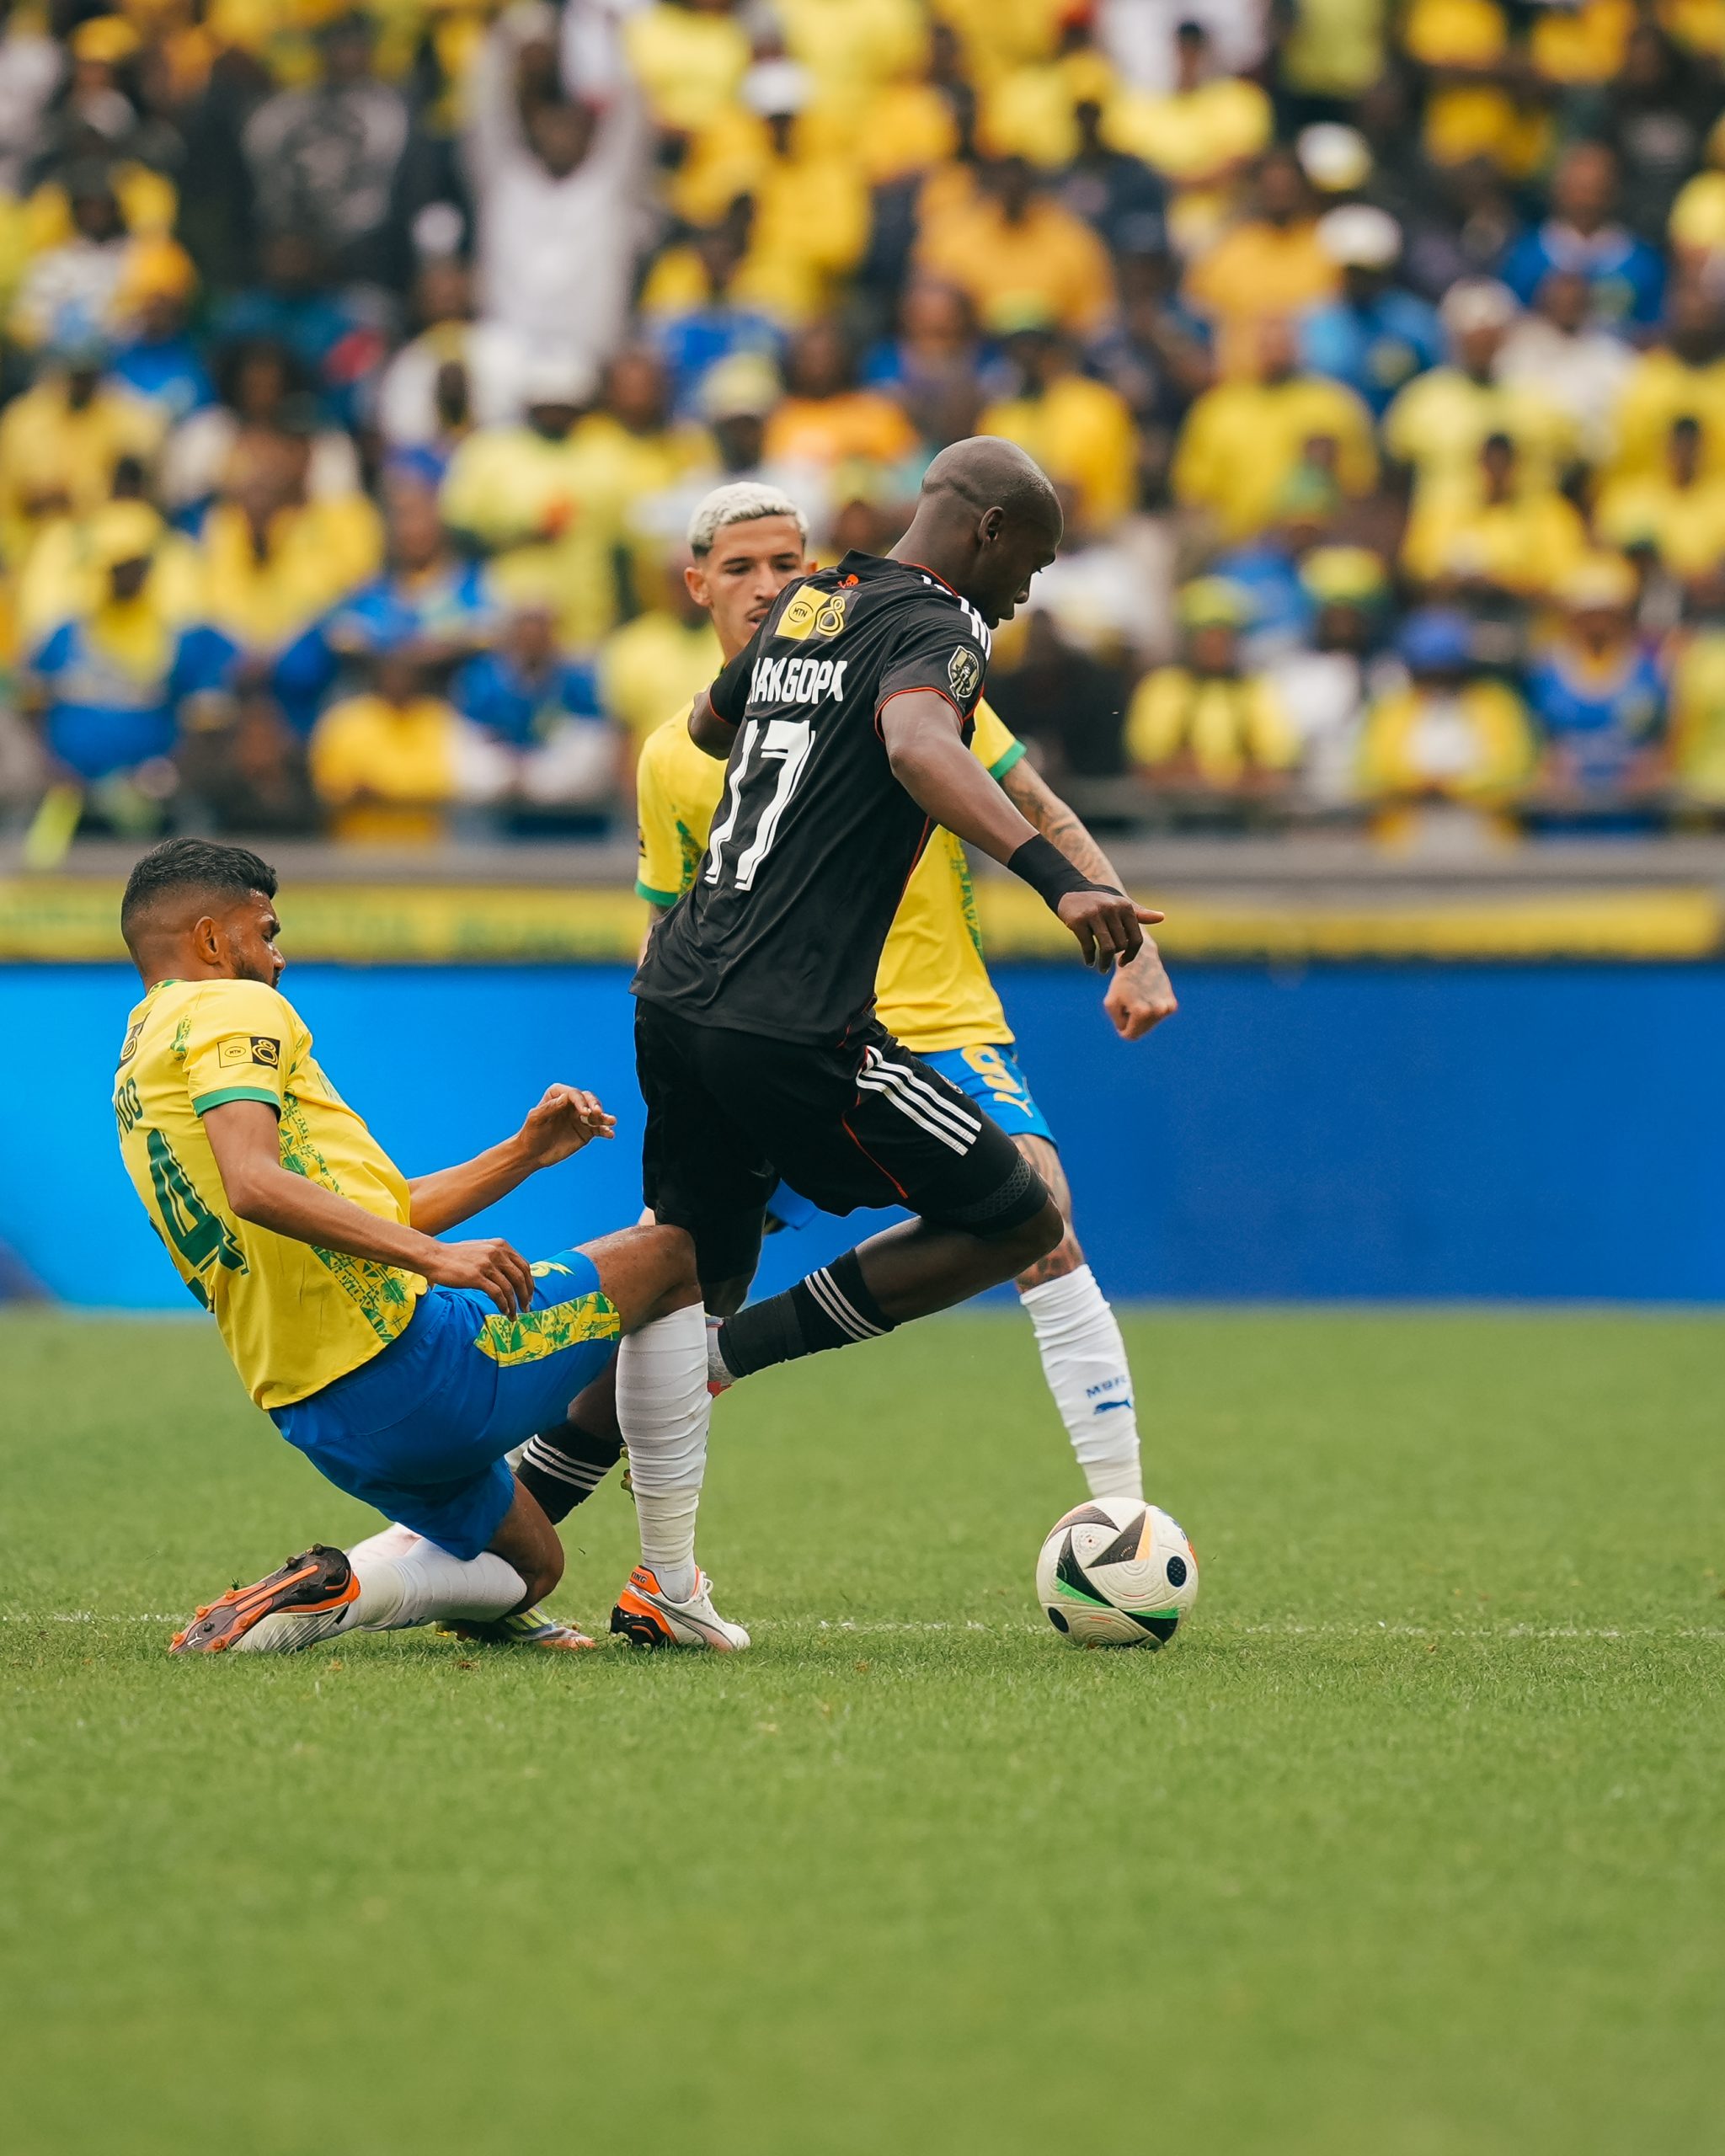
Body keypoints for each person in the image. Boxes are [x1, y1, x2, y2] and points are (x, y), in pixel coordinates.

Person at [524, 478, 1173, 1541]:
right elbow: (661, 914)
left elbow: (1031, 801)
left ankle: (1124, 1520)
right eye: (741, 568)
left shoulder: (902, 654)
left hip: (929, 1012)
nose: (770, 584)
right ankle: (518, 1513)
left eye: (788, 562)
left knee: (1039, 1219)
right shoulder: (675, 754)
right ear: (695, 586)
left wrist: (1131, 946)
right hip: (776, 1019)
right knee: (680, 1278)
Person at [112, 839, 725, 1655]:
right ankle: (671, 1586)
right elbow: (254, 1183)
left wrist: (522, 1153)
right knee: (671, 1258)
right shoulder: (231, 1007)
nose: (277, 957)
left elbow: (369, 1213)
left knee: (531, 1567)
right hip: (411, 1361)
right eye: (264, 931)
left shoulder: (140, 1058)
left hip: (317, 1411)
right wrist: (438, 1262)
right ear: (211, 941)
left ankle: (340, 1590)